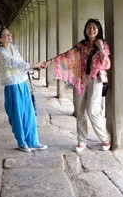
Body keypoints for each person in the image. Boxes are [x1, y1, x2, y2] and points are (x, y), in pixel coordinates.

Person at [48, 18, 111, 152]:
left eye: (94, 27)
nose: (91, 30)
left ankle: (106, 138)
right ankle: (82, 141)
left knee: (93, 110)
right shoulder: (82, 45)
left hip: (96, 79)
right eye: (89, 27)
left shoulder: (102, 44)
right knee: (81, 111)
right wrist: (50, 61)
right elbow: (67, 55)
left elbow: (105, 64)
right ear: (85, 30)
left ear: (99, 30)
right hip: (82, 79)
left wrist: (100, 48)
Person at [0, 25, 48, 153]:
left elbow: (21, 62)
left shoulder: (13, 47)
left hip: (22, 83)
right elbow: (13, 63)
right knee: (17, 115)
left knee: (29, 113)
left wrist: (35, 67)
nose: (9, 36)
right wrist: (34, 65)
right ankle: (22, 142)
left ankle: (33, 141)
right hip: (12, 85)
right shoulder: (0, 52)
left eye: (9, 34)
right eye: (6, 35)